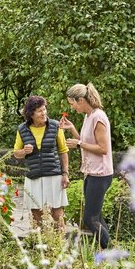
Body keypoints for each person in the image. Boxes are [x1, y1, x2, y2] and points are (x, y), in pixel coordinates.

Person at [59, 83, 113, 249]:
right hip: (91, 173)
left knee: (90, 219)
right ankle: (108, 248)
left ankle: (110, 251)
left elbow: (103, 149)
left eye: (72, 103)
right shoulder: (89, 116)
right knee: (96, 216)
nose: (72, 106)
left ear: (81, 100)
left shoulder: (98, 117)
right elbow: (87, 141)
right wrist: (73, 129)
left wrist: (79, 144)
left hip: (101, 174)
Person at [14, 95, 70, 232]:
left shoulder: (56, 126)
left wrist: (65, 173)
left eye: (44, 109)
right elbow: (16, 153)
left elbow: (63, 151)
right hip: (33, 176)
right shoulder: (22, 129)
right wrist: (24, 151)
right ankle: (41, 246)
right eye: (40, 111)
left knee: (57, 214)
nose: (44, 113)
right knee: (36, 215)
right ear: (31, 114)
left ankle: (59, 245)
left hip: (54, 175)